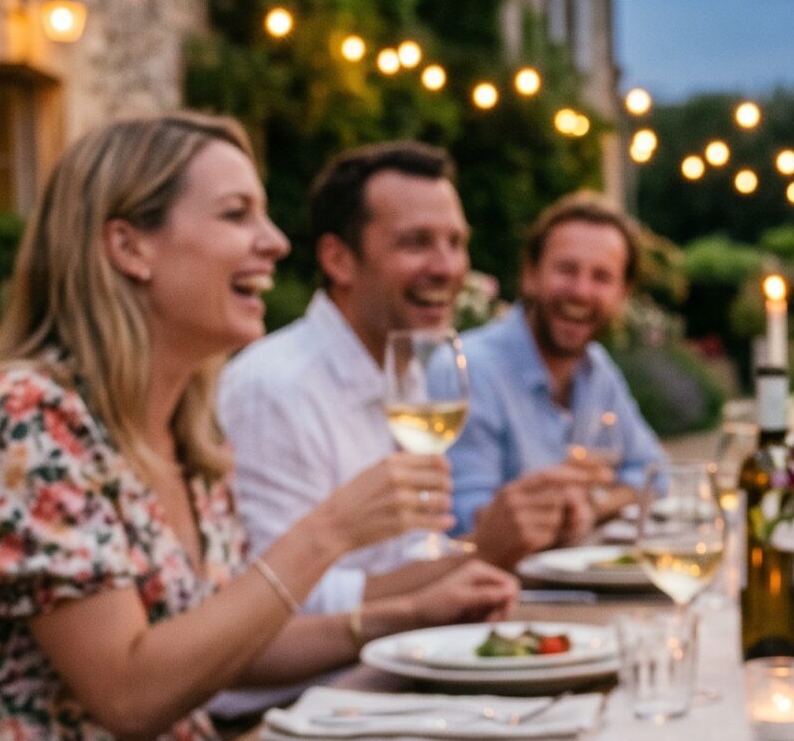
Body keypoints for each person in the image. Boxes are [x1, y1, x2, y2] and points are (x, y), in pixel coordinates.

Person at [0, 113, 483, 741]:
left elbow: (226, 643)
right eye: (236, 214)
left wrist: (403, 615)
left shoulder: (187, 430)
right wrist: (330, 531)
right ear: (129, 245)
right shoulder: (24, 417)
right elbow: (130, 695)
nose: (275, 242)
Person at [217, 141, 605, 592]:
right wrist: (482, 551)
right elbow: (277, 605)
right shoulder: (275, 389)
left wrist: (512, 539)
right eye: (417, 242)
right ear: (338, 260)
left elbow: (413, 558)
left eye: (456, 242)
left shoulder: (405, 371)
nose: (448, 267)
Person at [446, 192, 666, 534]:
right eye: (566, 269)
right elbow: (462, 519)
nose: (581, 291)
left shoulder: (597, 369)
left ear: (623, 294)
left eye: (602, 277)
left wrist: (591, 506)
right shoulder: (469, 368)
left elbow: (655, 473)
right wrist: (567, 509)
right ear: (530, 274)